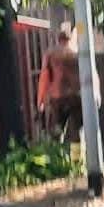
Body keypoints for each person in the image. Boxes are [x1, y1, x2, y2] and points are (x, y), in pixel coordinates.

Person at [36, 27, 97, 160]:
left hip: (58, 97)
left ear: (59, 39)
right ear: (70, 39)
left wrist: (40, 100)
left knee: (56, 131)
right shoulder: (79, 53)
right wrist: (96, 95)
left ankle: (56, 160)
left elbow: (44, 79)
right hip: (77, 97)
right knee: (76, 131)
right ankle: (77, 162)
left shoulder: (51, 54)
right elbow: (91, 74)